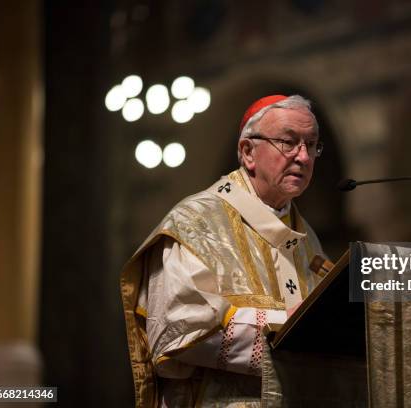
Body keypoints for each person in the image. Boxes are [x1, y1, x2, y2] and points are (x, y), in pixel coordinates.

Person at [120, 95, 327, 407]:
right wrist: (291, 331)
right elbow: (180, 333)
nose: (303, 156)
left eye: (311, 145)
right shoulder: (194, 223)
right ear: (248, 152)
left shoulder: (306, 237)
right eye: (289, 142)